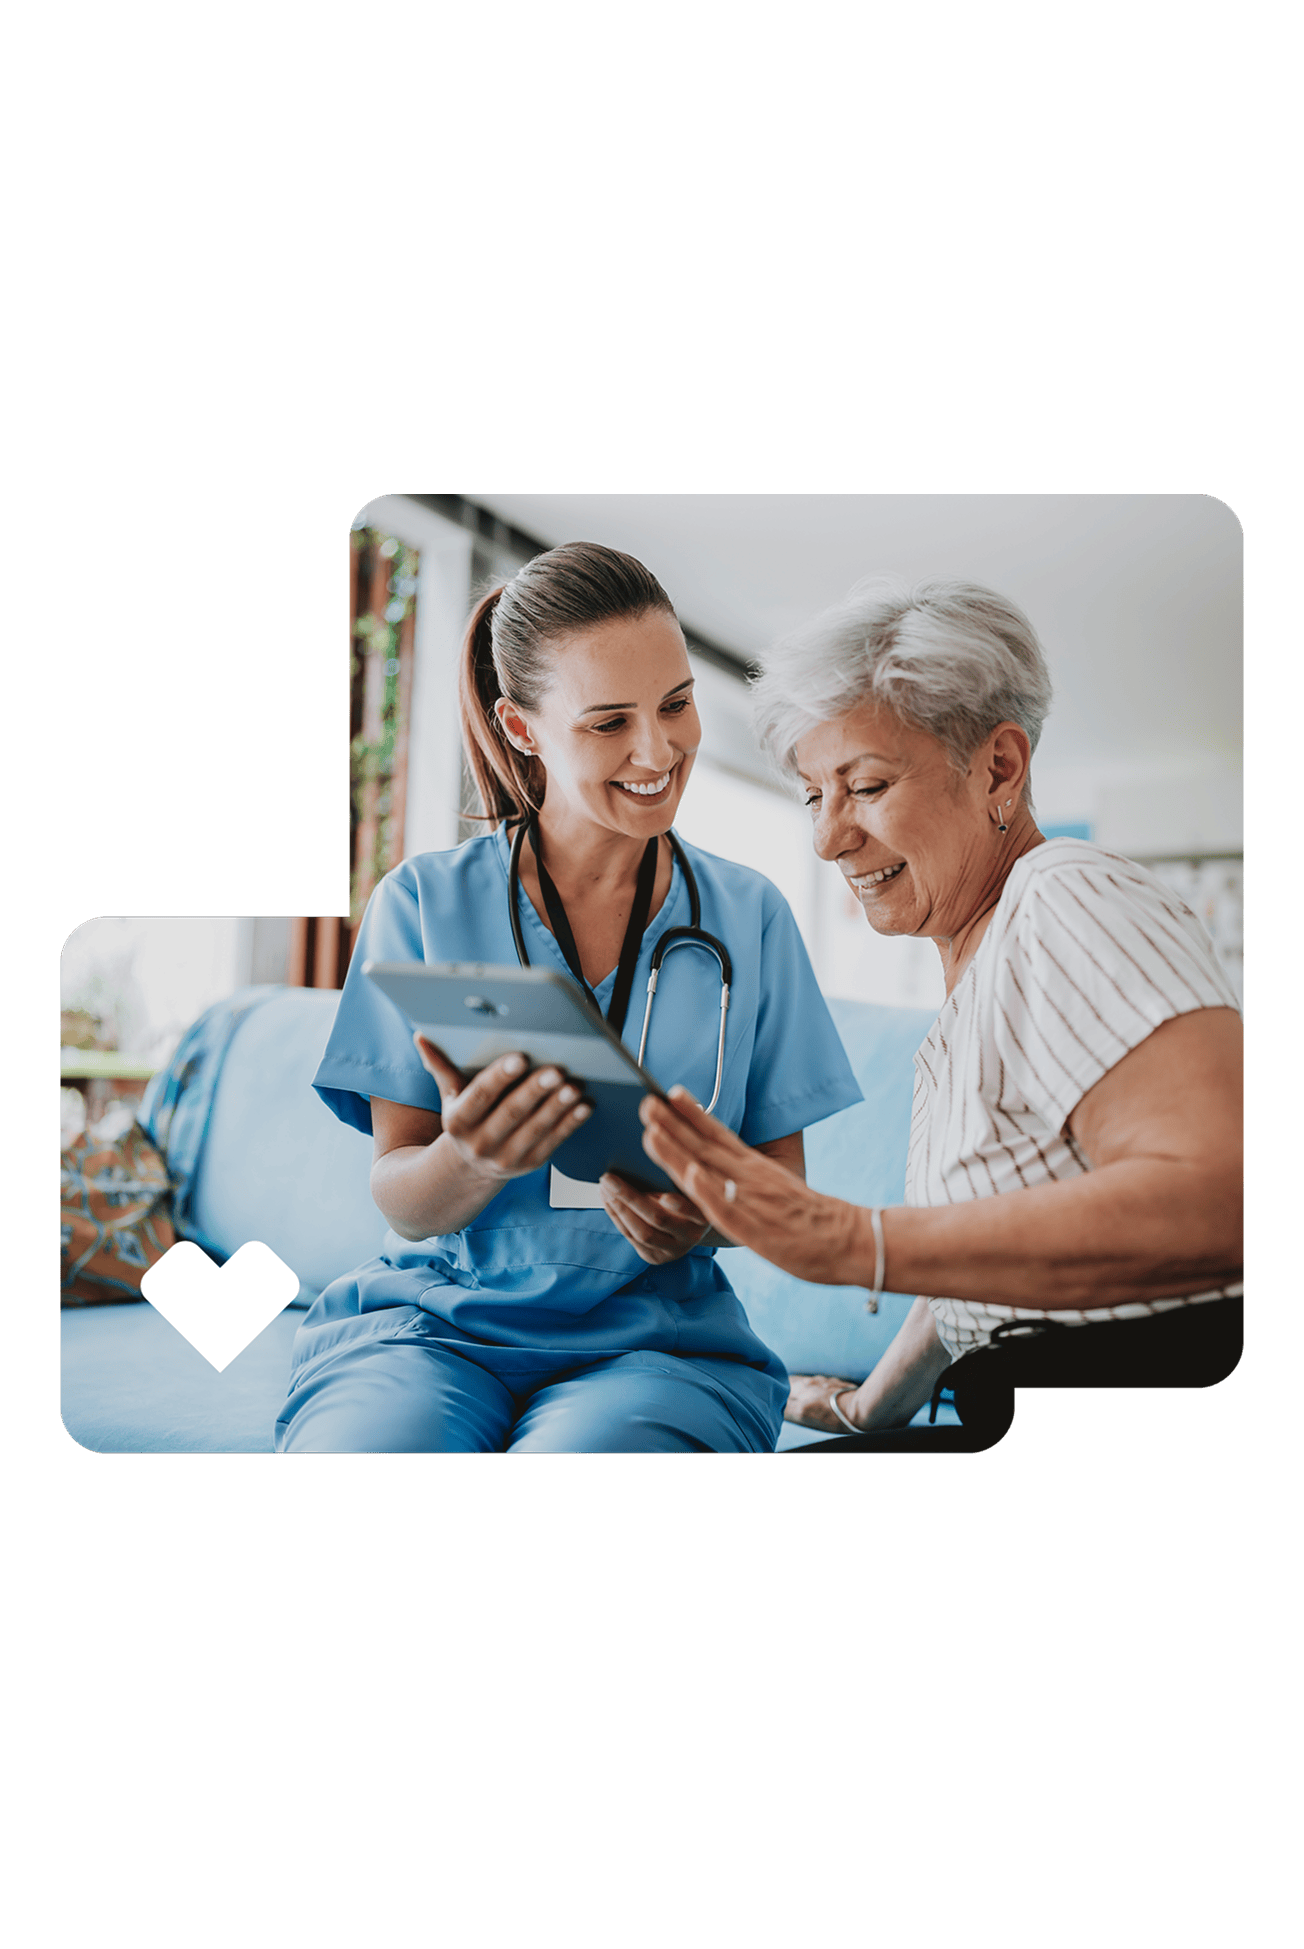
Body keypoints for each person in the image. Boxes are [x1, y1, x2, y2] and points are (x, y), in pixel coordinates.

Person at [274, 542, 862, 1452]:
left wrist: (704, 1218)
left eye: (676, 704)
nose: (657, 750)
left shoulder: (750, 917)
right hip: (435, 1327)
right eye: (608, 722)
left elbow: (782, 1184)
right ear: (521, 727)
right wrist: (470, 1158)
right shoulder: (422, 903)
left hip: (659, 1343)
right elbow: (401, 1197)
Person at [638, 577, 1244, 1449]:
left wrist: (853, 1239)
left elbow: (1225, 1194)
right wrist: (864, 1408)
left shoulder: (1062, 896)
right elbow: (984, 1268)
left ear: (999, 768)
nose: (827, 837)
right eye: (813, 795)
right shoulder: (981, 970)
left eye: (866, 784)